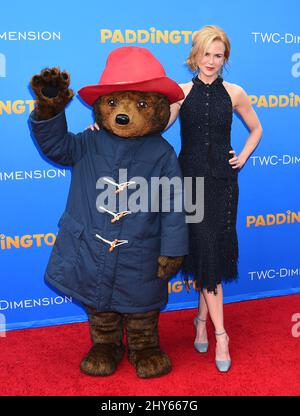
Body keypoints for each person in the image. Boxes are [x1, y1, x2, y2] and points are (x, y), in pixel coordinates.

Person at [89, 26, 263, 372]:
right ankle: (220, 334)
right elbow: (151, 127)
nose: (212, 61)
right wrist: (106, 129)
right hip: (191, 184)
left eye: (218, 55)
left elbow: (257, 128)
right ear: (194, 56)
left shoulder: (236, 92)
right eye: (206, 54)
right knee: (204, 252)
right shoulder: (181, 93)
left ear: (225, 58)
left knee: (211, 254)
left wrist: (242, 156)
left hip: (223, 184)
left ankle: (205, 324)